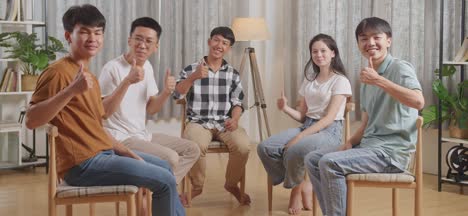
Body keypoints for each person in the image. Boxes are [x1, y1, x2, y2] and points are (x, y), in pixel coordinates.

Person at [25, 4, 185, 216]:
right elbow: (31, 121)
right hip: (82, 165)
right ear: (68, 36)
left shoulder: (89, 77)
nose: (92, 38)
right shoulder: (58, 73)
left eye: (98, 32)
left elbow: (97, 127)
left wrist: (127, 152)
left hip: (103, 154)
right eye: (84, 32)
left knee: (165, 168)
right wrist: (71, 91)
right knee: (164, 181)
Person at [305, 17, 425, 216]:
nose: (370, 43)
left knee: (330, 162)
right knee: (313, 158)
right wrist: (349, 143)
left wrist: (379, 81)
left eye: (376, 37)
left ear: (388, 40)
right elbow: (367, 123)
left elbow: (418, 101)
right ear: (358, 44)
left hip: (391, 154)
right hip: (369, 148)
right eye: (363, 38)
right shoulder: (367, 77)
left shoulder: (400, 68)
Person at [98, 17, 200, 206]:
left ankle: (155, 192)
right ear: (129, 40)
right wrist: (127, 81)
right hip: (120, 138)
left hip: (142, 135)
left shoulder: (147, 67)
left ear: (156, 46)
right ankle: (162, 191)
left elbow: (151, 109)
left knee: (191, 149)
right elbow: (103, 113)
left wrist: (167, 92)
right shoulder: (112, 69)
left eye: (148, 41)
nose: (142, 45)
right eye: (138, 39)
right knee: (171, 157)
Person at [257, 34, 352, 215]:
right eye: (314, 51)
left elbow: (329, 118)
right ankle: (300, 184)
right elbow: (302, 116)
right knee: (265, 147)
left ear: (333, 53)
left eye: (323, 50)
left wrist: (300, 137)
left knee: (295, 149)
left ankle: (295, 191)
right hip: (308, 125)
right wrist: (285, 108)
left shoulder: (340, 80)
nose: (319, 55)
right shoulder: (309, 81)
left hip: (330, 131)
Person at [173, 26, 251, 205]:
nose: (219, 45)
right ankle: (197, 187)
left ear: (228, 48)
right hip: (198, 122)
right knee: (194, 144)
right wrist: (192, 78)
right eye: (216, 40)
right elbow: (177, 95)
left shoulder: (232, 74)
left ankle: (231, 184)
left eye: (225, 43)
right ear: (209, 42)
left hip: (225, 122)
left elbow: (238, 103)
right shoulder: (192, 68)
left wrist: (235, 119)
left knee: (244, 146)